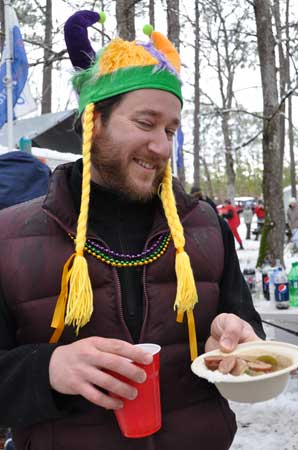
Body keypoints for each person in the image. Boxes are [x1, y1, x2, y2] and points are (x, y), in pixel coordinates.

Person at [0, 10, 265, 450]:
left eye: (170, 129)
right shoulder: (9, 238)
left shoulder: (205, 228)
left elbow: (246, 325)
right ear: (94, 122)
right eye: (145, 123)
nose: (161, 146)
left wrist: (237, 336)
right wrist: (46, 369)